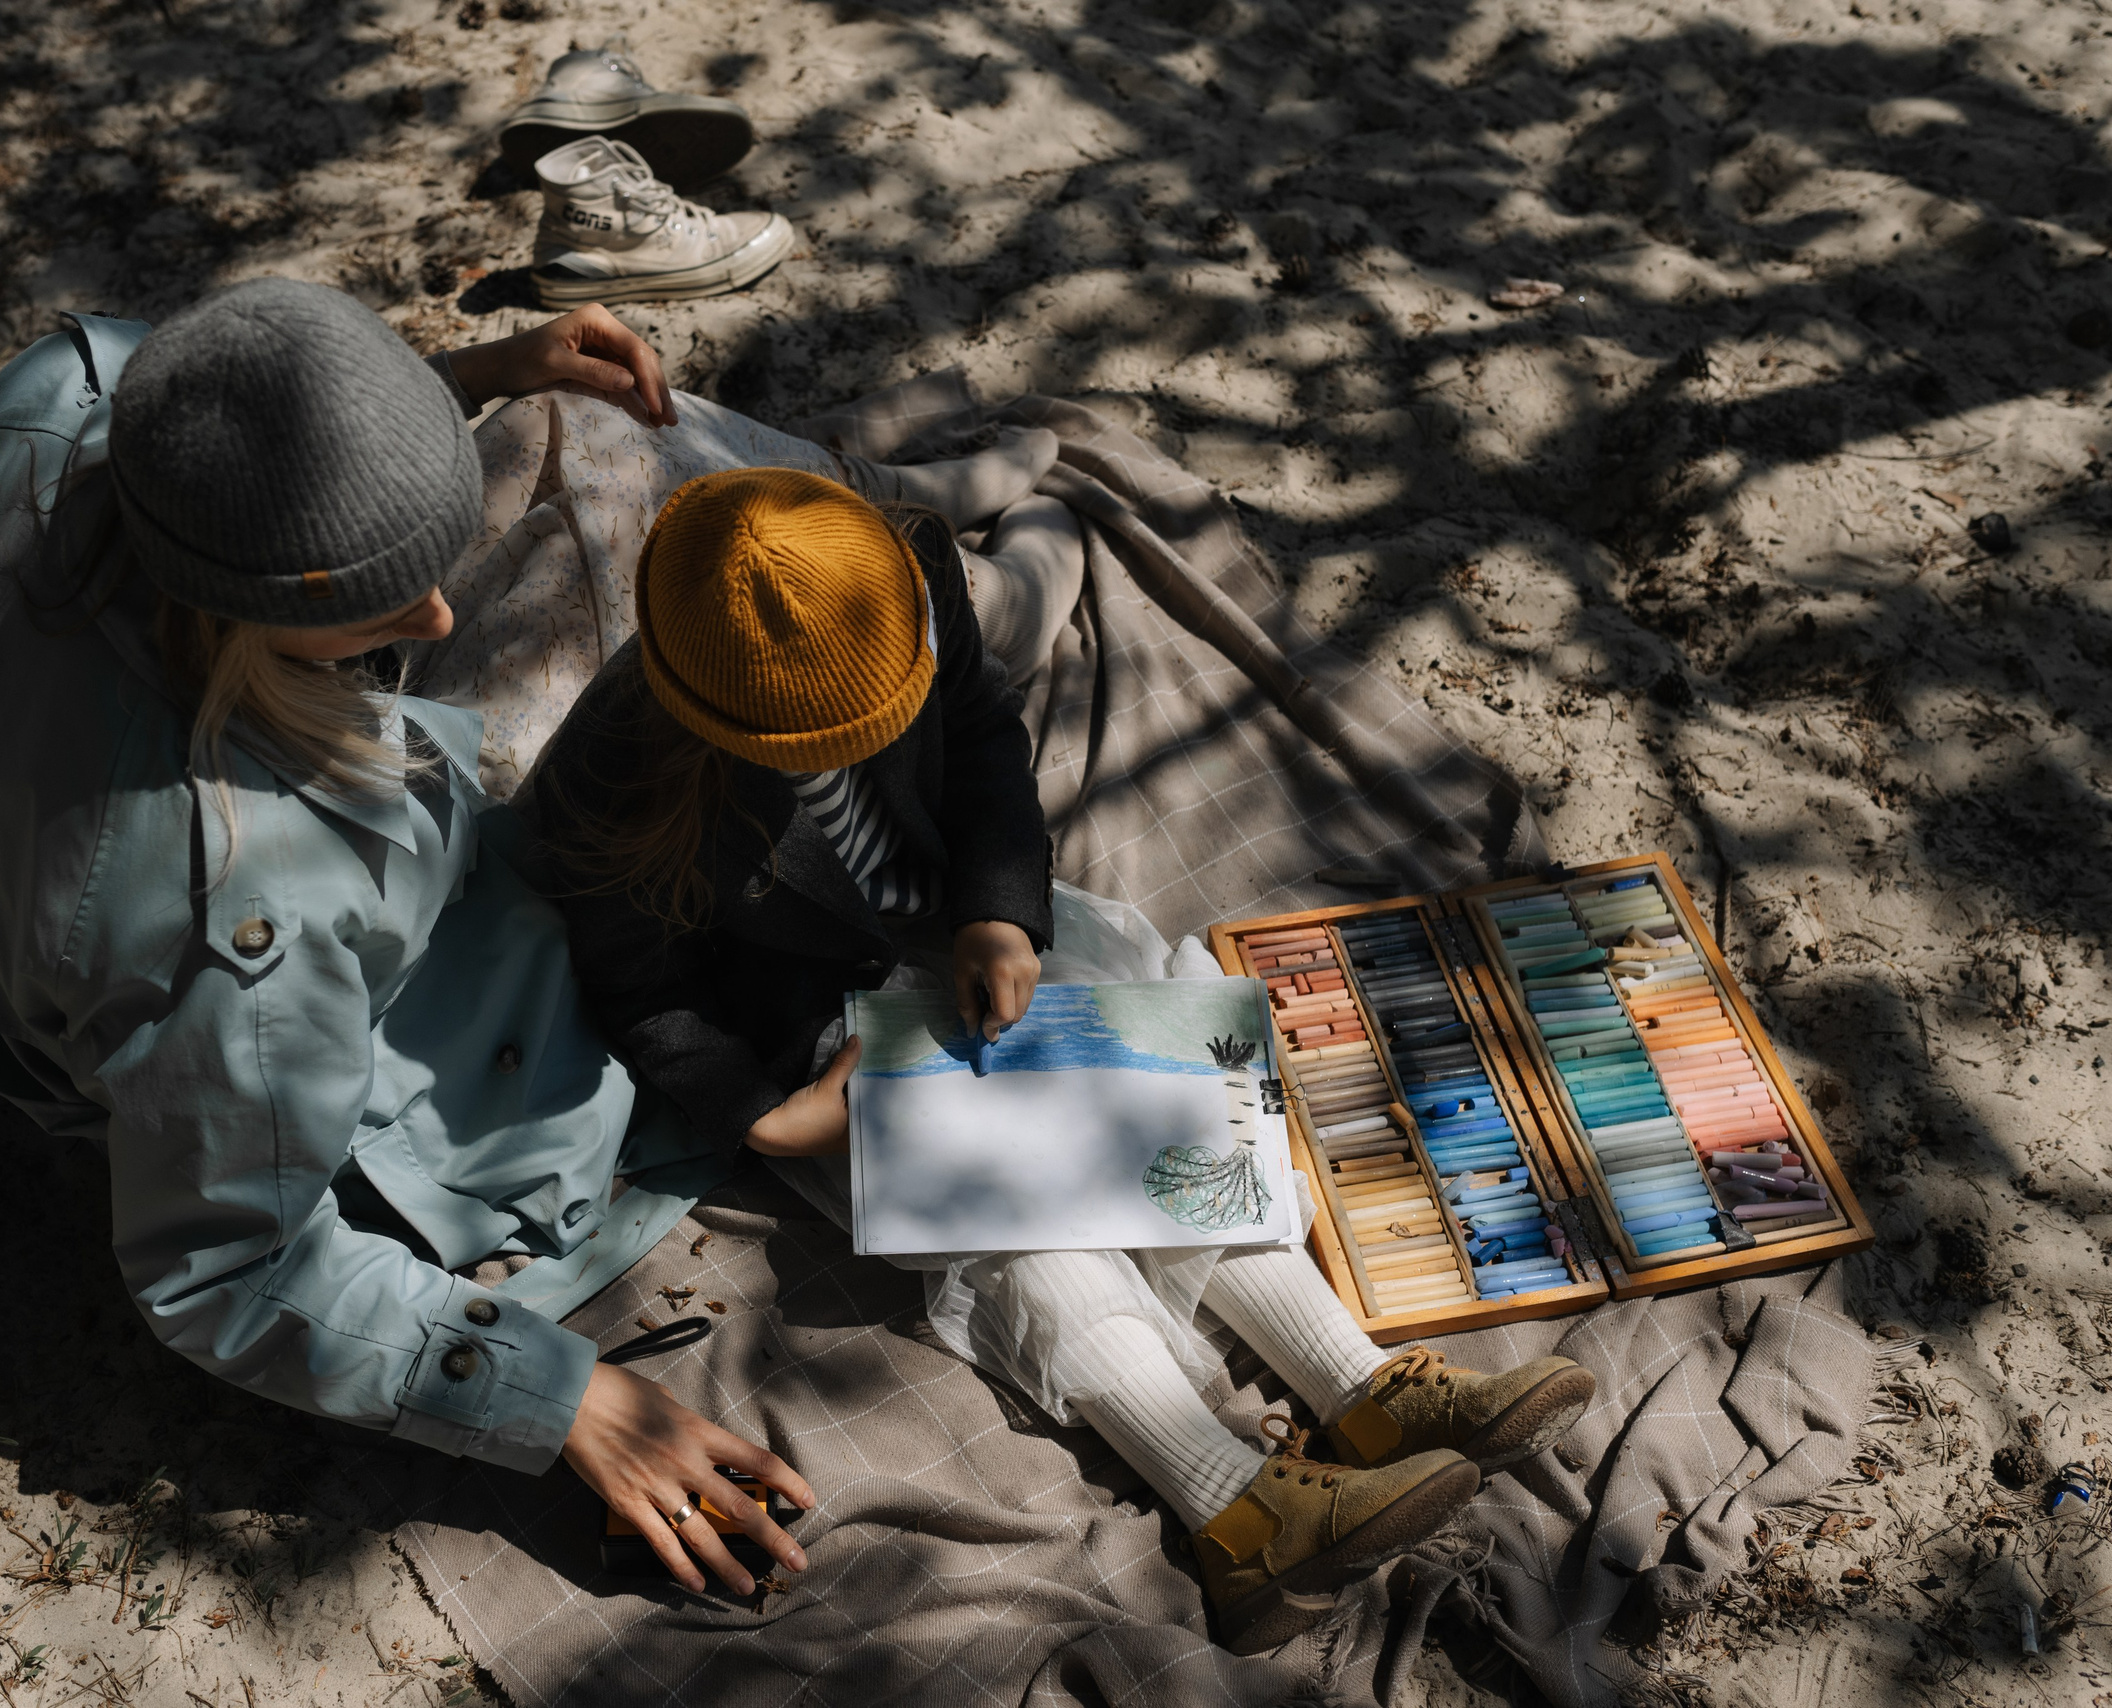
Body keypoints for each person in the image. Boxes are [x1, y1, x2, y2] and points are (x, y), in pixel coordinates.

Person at [523, 468, 1598, 1651]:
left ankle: (1362, 1384)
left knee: (1167, 1110)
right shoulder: (609, 775)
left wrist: (997, 911)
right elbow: (643, 988)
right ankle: (1236, 1509)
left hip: (973, 934)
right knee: (1013, 1218)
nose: (864, 744)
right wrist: (765, 1117)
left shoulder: (902, 565)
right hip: (821, 1039)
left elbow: (983, 736)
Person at [0, 277, 847, 1597]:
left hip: (27, 874)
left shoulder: (63, 399)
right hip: (166, 1010)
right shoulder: (246, 912)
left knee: (596, 447)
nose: (437, 621)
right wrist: (566, 1396)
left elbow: (245, 439)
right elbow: (232, 1266)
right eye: (381, 602)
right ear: (244, 613)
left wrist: (455, 381)